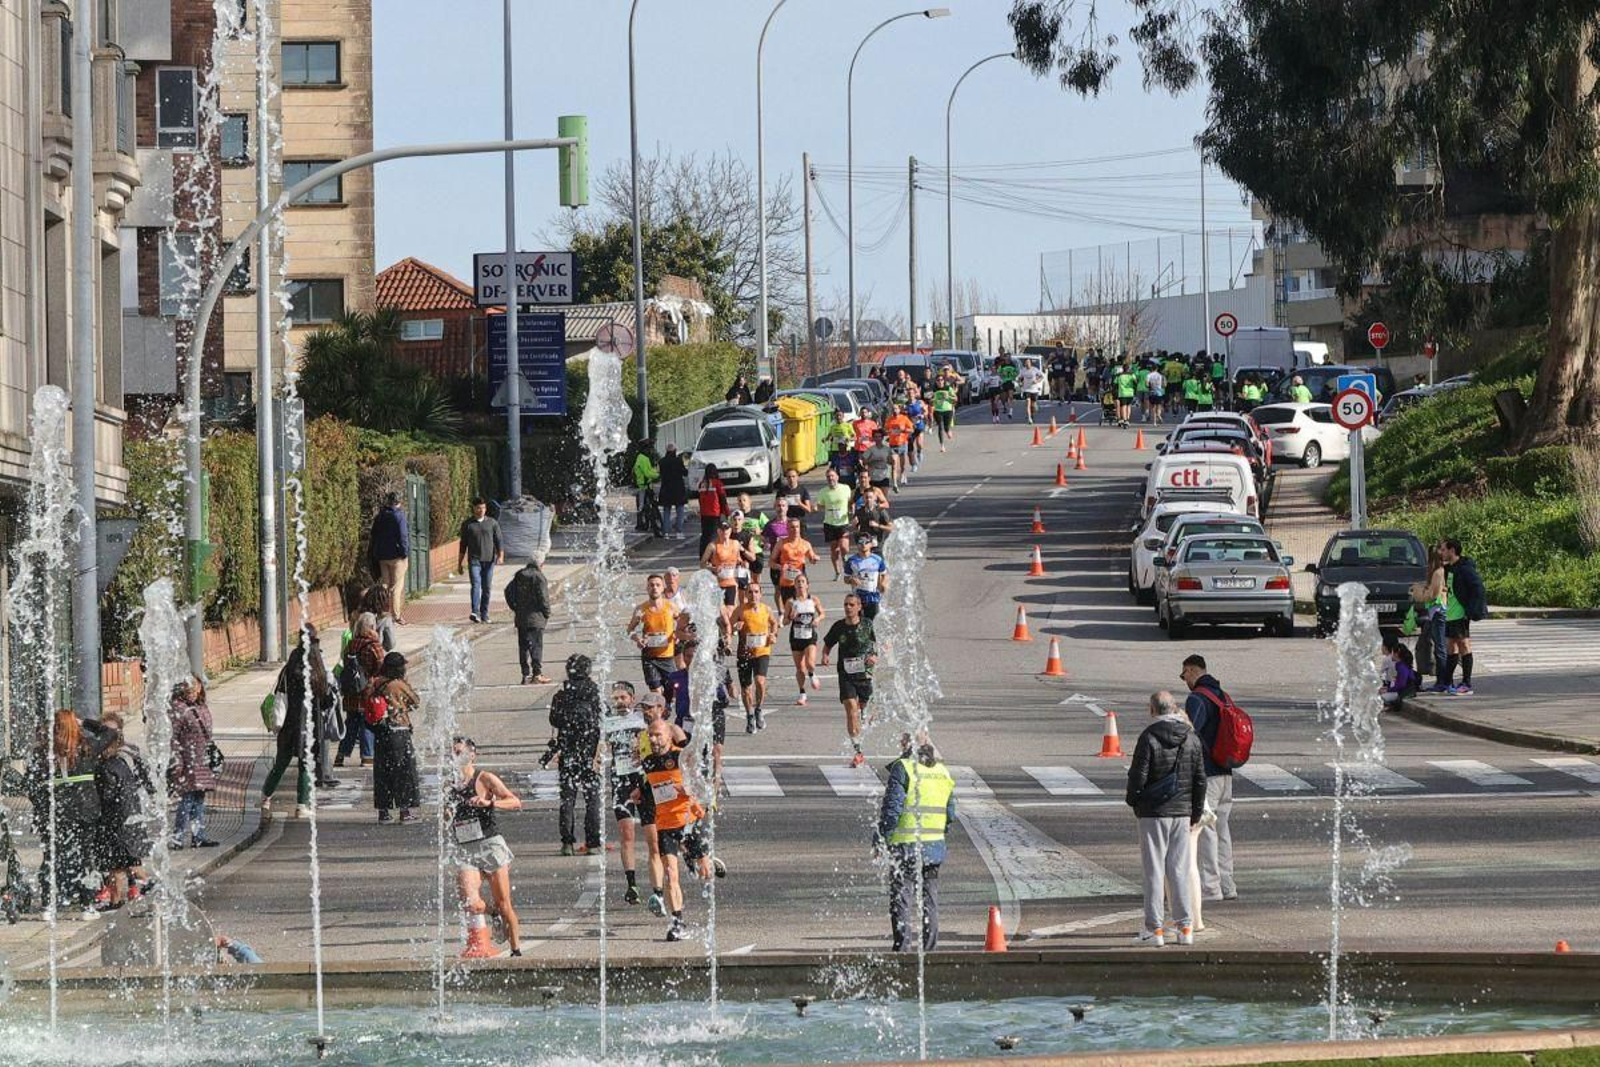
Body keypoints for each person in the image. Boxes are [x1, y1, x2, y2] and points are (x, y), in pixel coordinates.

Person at [1126, 691, 1206, 947]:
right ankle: (1185, 927)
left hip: (1153, 813)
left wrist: (1134, 801)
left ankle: (1154, 929)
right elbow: (1200, 779)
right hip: (1182, 813)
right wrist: (1194, 812)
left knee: (1154, 871)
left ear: (1153, 710)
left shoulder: (1148, 737)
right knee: (1179, 870)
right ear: (1175, 708)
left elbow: (1138, 777)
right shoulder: (1191, 738)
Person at [639, 716, 719, 941]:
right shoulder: (647, 762)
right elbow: (650, 786)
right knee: (670, 875)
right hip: (665, 826)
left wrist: (687, 788)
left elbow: (700, 783)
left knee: (706, 873)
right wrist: (640, 793)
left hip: (690, 821)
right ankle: (677, 922)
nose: (654, 739)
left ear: (669, 736)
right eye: (651, 735)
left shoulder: (680, 757)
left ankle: (701, 858)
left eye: (658, 734)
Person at [876, 734, 955, 951]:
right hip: (934, 847)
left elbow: (892, 811)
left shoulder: (904, 768)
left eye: (902, 741)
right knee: (930, 898)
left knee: (902, 897)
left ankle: (902, 950)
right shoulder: (942, 772)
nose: (900, 745)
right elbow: (950, 813)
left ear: (909, 745)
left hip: (906, 845)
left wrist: (881, 837)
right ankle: (930, 950)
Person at [451, 736, 525, 959]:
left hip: (490, 846)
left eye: (460, 752)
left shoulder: (484, 778)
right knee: (471, 901)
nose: (455, 757)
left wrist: (489, 803)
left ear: (472, 755)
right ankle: (491, 913)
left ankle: (516, 950)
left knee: (504, 904)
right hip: (466, 849)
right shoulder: (449, 783)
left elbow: (515, 801)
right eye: (452, 753)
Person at [28, 709, 102, 910]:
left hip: (56, 812)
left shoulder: (43, 752)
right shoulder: (87, 748)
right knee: (86, 855)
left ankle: (48, 904)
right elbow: (111, 733)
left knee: (52, 856)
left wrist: (42, 809)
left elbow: (31, 785)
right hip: (85, 811)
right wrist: (85, 721)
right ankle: (88, 904)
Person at [263, 625, 336, 819]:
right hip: (310, 725)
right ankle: (302, 805)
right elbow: (327, 699)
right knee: (305, 764)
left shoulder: (290, 666)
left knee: (281, 764)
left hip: (289, 724)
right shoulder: (318, 667)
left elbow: (280, 693)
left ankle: (265, 799)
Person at [1180, 654, 1236, 902]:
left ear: (1193, 671)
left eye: (1184, 674)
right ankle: (1228, 885)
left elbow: (1190, 733)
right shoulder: (1223, 695)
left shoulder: (1197, 698)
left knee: (1206, 829)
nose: (1184, 680)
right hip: (1226, 771)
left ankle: (1211, 888)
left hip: (1207, 773)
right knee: (1223, 830)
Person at [550, 654, 603, 857]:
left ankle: (567, 843)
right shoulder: (594, 693)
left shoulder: (562, 695)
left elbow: (554, 720)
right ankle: (593, 843)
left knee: (568, 799)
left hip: (568, 750)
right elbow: (603, 718)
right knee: (593, 798)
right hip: (590, 752)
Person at [94, 728, 153, 910]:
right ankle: (116, 900)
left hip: (116, 823)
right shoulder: (120, 762)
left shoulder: (106, 767)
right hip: (128, 820)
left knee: (120, 864)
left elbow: (108, 795)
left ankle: (150, 886)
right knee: (123, 864)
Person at [604, 681, 649, 905]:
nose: (619, 702)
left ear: (632, 699)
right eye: (616, 699)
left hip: (641, 779)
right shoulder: (608, 722)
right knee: (627, 833)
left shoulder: (642, 720)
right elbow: (599, 749)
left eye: (623, 698)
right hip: (620, 782)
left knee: (655, 835)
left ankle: (660, 882)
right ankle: (631, 884)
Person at [822, 592, 877, 767]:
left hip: (865, 674)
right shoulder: (839, 627)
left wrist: (875, 656)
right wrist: (825, 655)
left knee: (863, 709)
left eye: (852, 605)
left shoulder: (867, 625)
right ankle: (858, 750)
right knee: (851, 709)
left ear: (859, 607)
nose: (848, 607)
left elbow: (881, 643)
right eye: (846, 604)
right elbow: (828, 644)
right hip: (845, 675)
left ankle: (864, 713)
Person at [370, 651, 422, 823]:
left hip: (380, 731)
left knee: (382, 771)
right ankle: (404, 811)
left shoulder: (375, 683)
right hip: (398, 731)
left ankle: (383, 812)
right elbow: (415, 701)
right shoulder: (397, 685)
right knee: (403, 771)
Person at [169, 677, 220, 849]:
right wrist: (177, 761)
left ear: (199, 688)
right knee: (187, 798)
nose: (191, 690)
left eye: (194, 687)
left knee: (198, 798)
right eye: (187, 687)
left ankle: (198, 836)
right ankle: (177, 837)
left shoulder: (201, 705)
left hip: (202, 760)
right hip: (188, 760)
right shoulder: (179, 708)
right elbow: (173, 736)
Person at [335, 613, 386, 768]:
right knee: (367, 723)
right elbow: (381, 666)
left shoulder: (351, 643)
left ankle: (341, 755)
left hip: (351, 691)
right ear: (371, 627)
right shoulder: (374, 645)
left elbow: (345, 660)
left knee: (351, 723)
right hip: (367, 691)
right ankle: (367, 756)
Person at [1439, 538, 1488, 695]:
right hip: (1450, 614)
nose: (1442, 553)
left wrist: (1471, 610)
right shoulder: (1449, 569)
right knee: (1450, 647)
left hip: (1460, 614)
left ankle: (1466, 683)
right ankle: (1447, 682)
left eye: (1444, 550)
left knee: (1464, 646)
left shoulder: (1465, 568)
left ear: (1452, 550)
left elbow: (1478, 588)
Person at [504, 553, 553, 685]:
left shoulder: (519, 575)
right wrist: (547, 612)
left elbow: (507, 591)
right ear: (540, 564)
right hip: (536, 617)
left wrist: (514, 606)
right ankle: (537, 673)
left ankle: (525, 674)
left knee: (523, 646)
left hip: (521, 617)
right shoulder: (539, 577)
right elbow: (543, 597)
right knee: (536, 645)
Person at [734, 581, 777, 732]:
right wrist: (735, 628)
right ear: (745, 594)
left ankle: (758, 709)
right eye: (750, 592)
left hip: (762, 652)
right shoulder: (740, 610)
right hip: (744, 653)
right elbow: (729, 628)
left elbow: (774, 623)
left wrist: (773, 634)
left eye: (756, 592)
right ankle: (750, 715)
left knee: (759, 681)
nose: (753, 595)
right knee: (746, 689)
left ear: (761, 594)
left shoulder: (767, 609)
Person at [629, 573, 679, 695]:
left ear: (663, 588)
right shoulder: (641, 609)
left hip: (667, 656)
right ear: (647, 588)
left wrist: (677, 634)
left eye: (657, 585)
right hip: (649, 658)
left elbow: (681, 624)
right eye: (651, 585)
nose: (654, 588)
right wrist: (638, 639)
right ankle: (659, 710)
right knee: (656, 693)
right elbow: (630, 630)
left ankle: (666, 708)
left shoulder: (671, 607)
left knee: (672, 692)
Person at [367, 491, 411, 625]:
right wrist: (404, 553)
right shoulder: (399, 516)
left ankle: (381, 612)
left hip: (382, 556)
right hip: (397, 556)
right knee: (397, 586)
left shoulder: (380, 516)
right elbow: (403, 536)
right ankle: (396, 616)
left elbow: (373, 533)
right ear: (399, 502)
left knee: (385, 585)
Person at [457, 498, 503, 624]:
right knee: (476, 585)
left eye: (483, 507)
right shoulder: (468, 524)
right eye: (478, 508)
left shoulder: (492, 523)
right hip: (474, 560)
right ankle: (475, 612)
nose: (481, 510)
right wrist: (460, 563)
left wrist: (500, 556)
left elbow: (499, 540)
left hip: (489, 561)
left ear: (485, 509)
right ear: (473, 508)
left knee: (487, 587)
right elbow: (463, 544)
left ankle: (484, 613)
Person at [785, 573, 826, 707]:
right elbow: (785, 621)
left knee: (810, 663)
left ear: (807, 585)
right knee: (800, 668)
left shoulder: (813, 600)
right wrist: (790, 617)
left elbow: (822, 613)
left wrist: (817, 619)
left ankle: (812, 674)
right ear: (795, 585)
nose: (800, 584)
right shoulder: (791, 602)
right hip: (796, 637)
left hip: (809, 636)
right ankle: (802, 693)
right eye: (798, 582)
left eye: (803, 581)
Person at [816, 466, 854, 579]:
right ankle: (837, 571)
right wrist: (817, 508)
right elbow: (820, 505)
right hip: (829, 523)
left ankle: (845, 558)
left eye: (832, 476)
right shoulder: (823, 492)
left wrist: (852, 509)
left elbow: (851, 501)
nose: (830, 478)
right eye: (828, 477)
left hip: (843, 522)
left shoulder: (845, 488)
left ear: (837, 477)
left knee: (844, 547)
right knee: (834, 550)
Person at [773, 521, 820, 610]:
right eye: (792, 527)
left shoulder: (805, 544)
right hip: (786, 581)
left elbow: (812, 559)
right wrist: (780, 567)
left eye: (797, 527)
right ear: (787, 529)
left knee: (802, 608)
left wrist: (815, 559)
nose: (795, 529)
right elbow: (771, 562)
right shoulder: (781, 543)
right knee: (789, 611)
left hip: (800, 581)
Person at [844, 535, 889, 621]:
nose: (863, 545)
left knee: (874, 623)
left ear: (871, 544)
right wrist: (851, 579)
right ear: (857, 545)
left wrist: (883, 584)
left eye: (866, 542)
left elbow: (884, 574)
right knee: (858, 623)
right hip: (858, 597)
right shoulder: (851, 561)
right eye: (860, 543)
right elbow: (846, 578)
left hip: (873, 597)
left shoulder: (878, 559)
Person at [657, 442, 691, 540]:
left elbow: (660, 475)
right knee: (679, 510)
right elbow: (685, 473)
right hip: (678, 489)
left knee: (666, 511)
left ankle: (666, 532)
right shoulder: (678, 461)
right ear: (675, 450)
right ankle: (679, 532)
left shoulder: (662, 461)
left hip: (666, 489)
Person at [696, 464, 730, 555]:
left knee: (705, 536)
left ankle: (703, 555)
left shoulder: (702, 484)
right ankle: (712, 555)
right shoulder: (718, 483)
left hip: (704, 514)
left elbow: (700, 499)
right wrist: (727, 513)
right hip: (715, 514)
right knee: (714, 536)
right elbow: (723, 499)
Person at [632, 439, 662, 537]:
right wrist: (657, 475)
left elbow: (650, 470)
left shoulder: (642, 458)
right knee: (647, 509)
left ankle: (643, 524)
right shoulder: (643, 459)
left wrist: (655, 473)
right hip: (644, 487)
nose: (651, 450)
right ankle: (653, 528)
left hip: (645, 486)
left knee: (645, 507)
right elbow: (647, 472)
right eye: (649, 447)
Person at [1381, 637, 1421, 705]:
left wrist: (1388, 690)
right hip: (1401, 691)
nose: (1392, 655)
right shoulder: (1400, 665)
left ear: (1396, 654)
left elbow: (1401, 684)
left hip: (1404, 692)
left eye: (1393, 653)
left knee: (1380, 698)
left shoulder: (1402, 667)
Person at [359, 584, 398, 652]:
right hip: (376, 655)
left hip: (358, 656)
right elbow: (391, 644)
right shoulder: (385, 619)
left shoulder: (359, 615)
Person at [884, 405, 914, 487]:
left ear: (899, 410)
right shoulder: (889, 419)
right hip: (892, 445)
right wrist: (889, 431)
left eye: (896, 408)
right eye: (893, 409)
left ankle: (903, 474)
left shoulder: (904, 418)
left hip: (902, 443)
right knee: (894, 463)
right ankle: (894, 483)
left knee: (902, 465)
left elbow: (911, 430)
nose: (894, 410)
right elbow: (885, 430)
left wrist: (903, 430)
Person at [930, 377, 958, 452]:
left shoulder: (948, 388)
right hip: (938, 410)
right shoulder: (934, 389)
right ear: (936, 382)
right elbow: (930, 400)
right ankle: (942, 446)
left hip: (948, 410)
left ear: (944, 381)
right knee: (940, 427)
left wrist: (948, 396)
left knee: (946, 428)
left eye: (941, 380)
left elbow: (955, 398)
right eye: (938, 380)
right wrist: (933, 400)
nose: (940, 382)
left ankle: (948, 430)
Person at [1017, 359, 1044, 424]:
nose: (1027, 364)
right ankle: (1029, 418)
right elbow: (1019, 378)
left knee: (1034, 406)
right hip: (1026, 389)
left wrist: (1037, 381)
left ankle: (1032, 414)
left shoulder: (1035, 369)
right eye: (1026, 363)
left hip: (1034, 389)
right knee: (1028, 403)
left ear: (1030, 363)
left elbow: (1041, 376)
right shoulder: (1023, 370)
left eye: (1028, 362)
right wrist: (1020, 383)